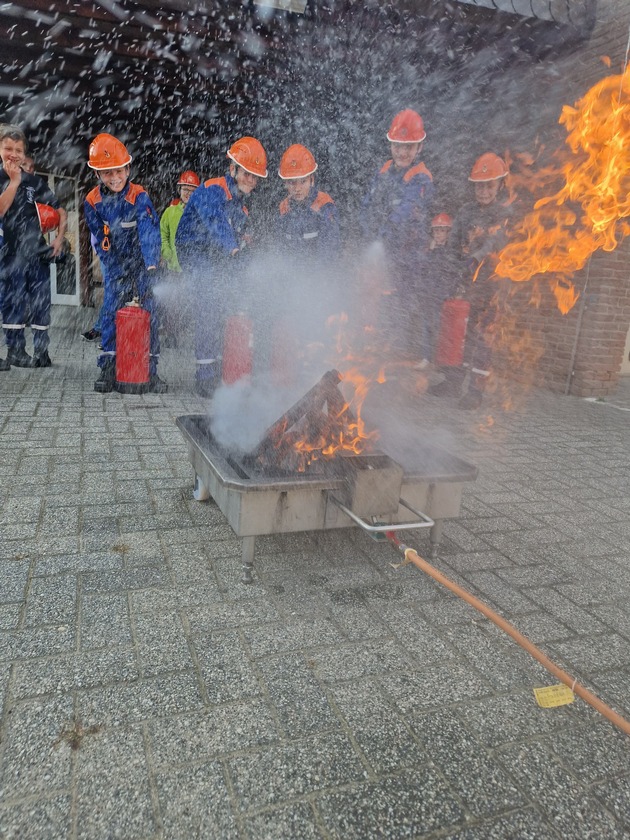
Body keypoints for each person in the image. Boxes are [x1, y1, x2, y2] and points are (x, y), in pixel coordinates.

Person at [176, 136, 267, 398]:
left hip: (217, 256)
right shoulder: (212, 189)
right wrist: (234, 248)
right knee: (207, 301)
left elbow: (238, 235)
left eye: (255, 176)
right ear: (233, 169)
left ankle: (219, 367)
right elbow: (216, 223)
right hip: (194, 252)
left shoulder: (241, 206)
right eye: (247, 173)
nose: (251, 180)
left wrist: (246, 253)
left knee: (223, 305)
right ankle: (204, 376)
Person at [83, 132, 166, 393]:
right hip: (117, 262)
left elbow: (149, 232)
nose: (115, 177)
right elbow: (100, 239)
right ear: (97, 175)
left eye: (119, 170)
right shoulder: (92, 202)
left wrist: (151, 267)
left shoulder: (140, 196)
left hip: (143, 263)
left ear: (128, 168)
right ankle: (108, 368)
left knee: (151, 312)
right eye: (107, 173)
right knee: (110, 311)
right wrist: (114, 268)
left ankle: (150, 372)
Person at [429, 152, 512, 410]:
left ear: (500, 185)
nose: (484, 191)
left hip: (492, 287)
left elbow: (494, 243)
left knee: (482, 340)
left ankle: (476, 391)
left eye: (489, 185)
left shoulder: (503, 213)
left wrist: (475, 259)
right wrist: (453, 266)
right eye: (479, 185)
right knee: (459, 336)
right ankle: (453, 383)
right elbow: (454, 244)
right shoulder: (466, 212)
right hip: (466, 284)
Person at [360, 108, 434, 361]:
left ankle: (401, 362)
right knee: (378, 306)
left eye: (409, 147)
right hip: (385, 254)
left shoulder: (422, 178)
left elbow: (406, 211)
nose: (402, 152)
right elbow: (368, 204)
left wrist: (384, 233)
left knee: (402, 308)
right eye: (398, 146)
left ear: (419, 147)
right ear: (391, 145)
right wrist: (368, 228)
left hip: (409, 259)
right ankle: (380, 360)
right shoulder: (384, 172)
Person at [0, 124, 67, 369]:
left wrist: (58, 238)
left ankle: (41, 350)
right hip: (9, 252)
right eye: (8, 148)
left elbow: (60, 210)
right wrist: (14, 182)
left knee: (41, 303)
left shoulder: (34, 182)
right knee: (13, 302)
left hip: (37, 253)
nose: (14, 154)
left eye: (18, 149)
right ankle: (15, 351)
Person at [276, 144, 340, 258]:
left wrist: (311, 273)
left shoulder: (324, 205)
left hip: (318, 272)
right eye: (292, 182)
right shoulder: (283, 208)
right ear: (285, 183)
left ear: (312, 180)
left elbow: (329, 249)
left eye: (303, 181)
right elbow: (280, 248)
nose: (297, 188)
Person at [159, 169, 200, 346]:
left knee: (190, 301)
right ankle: (172, 334)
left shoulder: (199, 213)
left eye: (192, 191)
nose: (188, 194)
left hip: (191, 268)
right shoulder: (170, 212)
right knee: (172, 303)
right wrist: (166, 252)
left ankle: (193, 333)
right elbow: (163, 233)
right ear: (179, 190)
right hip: (173, 267)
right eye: (185, 190)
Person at [417, 213, 460, 367]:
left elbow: (454, 273)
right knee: (427, 327)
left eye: (442, 230)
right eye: (436, 231)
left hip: (445, 297)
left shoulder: (452, 251)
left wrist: (450, 294)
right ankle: (426, 358)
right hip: (430, 295)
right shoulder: (427, 251)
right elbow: (422, 270)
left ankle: (441, 361)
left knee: (443, 329)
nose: (439, 234)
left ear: (448, 232)